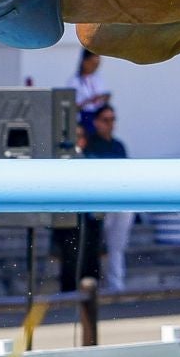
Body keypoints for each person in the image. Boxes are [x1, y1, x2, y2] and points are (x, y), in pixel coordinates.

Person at [84, 105, 134, 291]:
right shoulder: (91, 145)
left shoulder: (118, 145)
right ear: (97, 122)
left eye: (112, 120)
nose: (110, 124)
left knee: (117, 246)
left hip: (118, 198)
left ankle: (116, 284)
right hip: (99, 200)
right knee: (96, 242)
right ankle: (94, 284)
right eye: (106, 120)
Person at [70, 48, 111, 133]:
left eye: (97, 65)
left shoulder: (98, 79)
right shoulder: (74, 82)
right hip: (84, 118)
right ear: (85, 62)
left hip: (98, 117)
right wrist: (89, 101)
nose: (95, 68)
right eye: (93, 64)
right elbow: (72, 106)